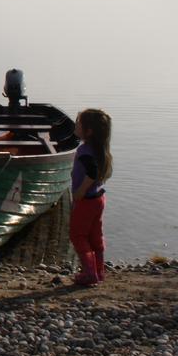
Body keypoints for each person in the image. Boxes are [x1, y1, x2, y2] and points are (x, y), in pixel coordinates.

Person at [69, 108, 113, 286]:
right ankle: (99, 271)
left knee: (78, 235)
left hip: (86, 200)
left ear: (88, 131)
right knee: (95, 236)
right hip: (98, 199)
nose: (76, 125)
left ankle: (89, 273)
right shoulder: (99, 149)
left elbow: (92, 173)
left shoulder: (85, 151)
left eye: (79, 123)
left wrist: (80, 191)